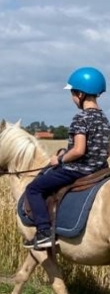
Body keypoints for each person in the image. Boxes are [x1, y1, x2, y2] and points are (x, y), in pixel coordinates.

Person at [24, 66, 110, 250]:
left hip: (77, 170)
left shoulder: (81, 118)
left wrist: (60, 159)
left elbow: (78, 150)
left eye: (72, 93)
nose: (72, 98)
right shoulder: (104, 119)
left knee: (33, 188)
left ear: (80, 94)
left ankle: (44, 233)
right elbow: (107, 150)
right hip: (100, 171)